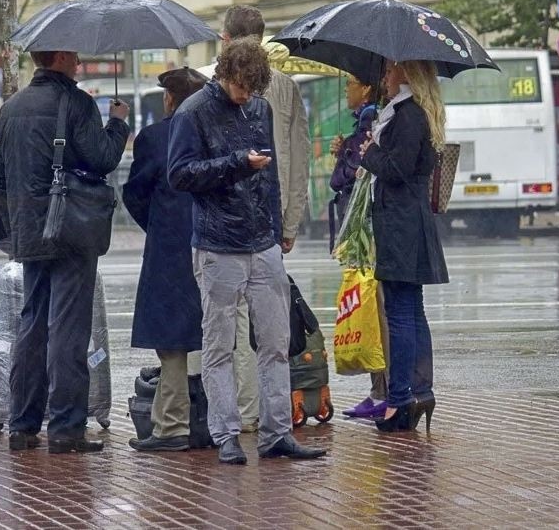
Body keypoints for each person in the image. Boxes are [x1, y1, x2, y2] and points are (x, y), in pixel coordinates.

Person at [168, 38, 326, 464]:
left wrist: (275, 229)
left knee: (276, 341)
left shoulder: (260, 106)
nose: (247, 96)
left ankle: (277, 433)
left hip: (261, 242)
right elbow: (179, 175)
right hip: (219, 244)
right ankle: (226, 435)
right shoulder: (194, 111)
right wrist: (236, 162)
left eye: (254, 89)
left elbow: (269, 174)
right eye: (242, 87)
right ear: (226, 74)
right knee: (219, 344)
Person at [0, 49, 129, 454]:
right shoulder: (78, 102)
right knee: (69, 327)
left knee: (32, 323)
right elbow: (102, 159)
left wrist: (11, 229)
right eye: (75, 57)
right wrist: (117, 125)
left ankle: (22, 423)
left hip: (30, 231)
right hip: (71, 229)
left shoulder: (11, 108)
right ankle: (67, 427)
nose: (81, 63)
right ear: (61, 58)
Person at [195, 4, 310, 434]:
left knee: (230, 329)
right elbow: (296, 159)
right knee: (271, 330)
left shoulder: (211, 88)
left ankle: (243, 415)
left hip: (226, 227)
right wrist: (291, 221)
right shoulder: (285, 89)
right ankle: (267, 417)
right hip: (268, 223)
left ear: (226, 40)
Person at [359, 59, 449, 433]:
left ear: (408, 74)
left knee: (400, 311)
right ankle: (419, 392)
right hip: (407, 221)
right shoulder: (413, 113)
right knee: (411, 310)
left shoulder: (408, 115)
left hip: (401, 224)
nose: (385, 76)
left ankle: (399, 401)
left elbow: (396, 169)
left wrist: (369, 153)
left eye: (391, 70)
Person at [122, 67, 209, 452]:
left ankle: (171, 425)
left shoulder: (155, 138)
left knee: (171, 341)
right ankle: (221, 420)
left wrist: (157, 224)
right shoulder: (213, 132)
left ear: (169, 99)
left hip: (170, 247)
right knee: (219, 336)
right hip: (214, 241)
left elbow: (135, 193)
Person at [329, 74, 389, 420]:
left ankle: (382, 389)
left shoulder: (370, 118)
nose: (348, 89)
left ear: (367, 87)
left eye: (352, 83)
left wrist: (348, 152)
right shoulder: (364, 120)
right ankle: (379, 388)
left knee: (373, 308)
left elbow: (358, 171)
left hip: (365, 228)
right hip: (364, 227)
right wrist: (345, 147)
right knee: (372, 307)